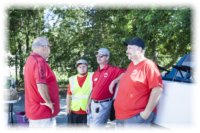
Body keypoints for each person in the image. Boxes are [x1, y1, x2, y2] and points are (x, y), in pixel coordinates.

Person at [113, 37, 163, 128]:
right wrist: (114, 81)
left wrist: (145, 115)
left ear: (139, 50)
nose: (127, 51)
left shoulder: (149, 65)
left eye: (130, 48)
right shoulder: (131, 65)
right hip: (120, 117)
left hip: (135, 119)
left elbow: (157, 89)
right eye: (127, 48)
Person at [24, 37, 60, 128]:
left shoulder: (30, 60)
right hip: (43, 113)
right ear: (44, 47)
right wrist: (48, 102)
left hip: (36, 112)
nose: (49, 50)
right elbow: (40, 84)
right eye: (49, 47)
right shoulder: (39, 61)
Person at [87, 48, 125, 127]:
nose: (98, 57)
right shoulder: (95, 73)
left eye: (101, 56)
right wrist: (88, 104)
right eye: (97, 55)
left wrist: (114, 81)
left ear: (107, 57)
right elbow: (93, 90)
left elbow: (126, 73)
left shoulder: (113, 70)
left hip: (103, 104)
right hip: (93, 104)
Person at [66, 59, 93, 126]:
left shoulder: (92, 76)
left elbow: (94, 91)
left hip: (87, 111)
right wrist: (68, 107)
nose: (82, 69)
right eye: (80, 67)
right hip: (73, 110)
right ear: (77, 68)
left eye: (84, 66)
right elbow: (69, 95)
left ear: (87, 67)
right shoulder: (72, 79)